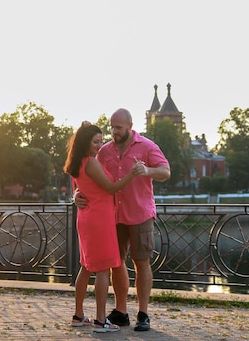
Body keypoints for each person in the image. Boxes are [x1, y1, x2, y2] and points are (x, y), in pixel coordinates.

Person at [74, 108, 170, 332]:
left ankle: (143, 314)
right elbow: (87, 175)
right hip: (112, 216)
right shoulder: (104, 150)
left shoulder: (147, 146)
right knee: (115, 264)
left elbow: (165, 172)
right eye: (112, 127)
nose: (114, 131)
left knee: (141, 262)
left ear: (130, 125)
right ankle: (121, 311)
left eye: (118, 127)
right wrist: (76, 194)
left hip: (139, 214)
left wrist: (146, 170)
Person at [64, 121, 142, 333]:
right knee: (102, 269)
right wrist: (132, 173)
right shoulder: (90, 162)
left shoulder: (76, 162)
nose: (100, 145)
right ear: (86, 143)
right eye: (96, 142)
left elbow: (78, 189)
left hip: (86, 217)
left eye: (101, 141)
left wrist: (76, 195)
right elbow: (111, 188)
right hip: (99, 219)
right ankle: (100, 320)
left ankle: (78, 315)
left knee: (86, 267)